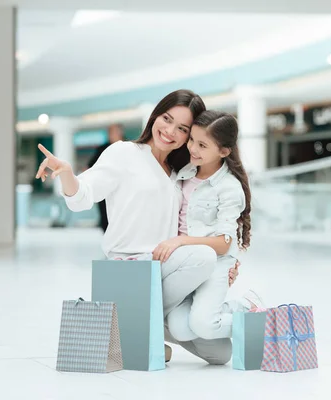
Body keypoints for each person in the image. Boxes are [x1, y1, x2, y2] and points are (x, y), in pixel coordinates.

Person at [35, 89, 238, 365]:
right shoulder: (124, 153)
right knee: (202, 257)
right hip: (130, 268)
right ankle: (145, 331)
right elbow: (82, 197)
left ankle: (145, 331)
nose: (169, 131)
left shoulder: (182, 171)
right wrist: (68, 174)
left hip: (167, 270)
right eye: (166, 119)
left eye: (182, 129)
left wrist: (227, 262)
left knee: (221, 354)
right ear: (155, 115)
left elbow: (203, 222)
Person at [152, 110, 263, 343]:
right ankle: (225, 310)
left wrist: (181, 240)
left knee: (204, 326)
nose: (192, 148)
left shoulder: (229, 188)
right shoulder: (184, 173)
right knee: (181, 330)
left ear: (223, 151)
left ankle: (254, 314)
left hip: (216, 264)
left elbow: (225, 243)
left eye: (202, 145)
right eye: (192, 139)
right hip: (186, 262)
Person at [87, 124, 125, 232]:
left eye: (115, 132)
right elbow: (91, 167)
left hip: (123, 187)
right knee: (105, 214)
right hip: (105, 187)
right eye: (110, 132)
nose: (112, 135)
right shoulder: (102, 149)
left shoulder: (129, 146)